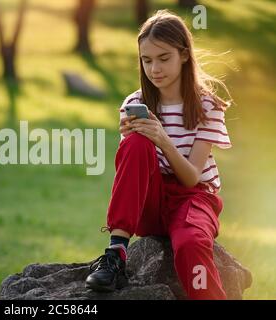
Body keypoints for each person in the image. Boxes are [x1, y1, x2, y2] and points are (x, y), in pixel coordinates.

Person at [85, 9, 233, 300]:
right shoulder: (136, 102)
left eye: (164, 58)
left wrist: (163, 140)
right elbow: (131, 171)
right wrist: (132, 138)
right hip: (149, 203)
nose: (155, 69)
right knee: (136, 144)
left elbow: (192, 178)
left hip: (193, 198)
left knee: (191, 244)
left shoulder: (207, 106)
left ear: (184, 55)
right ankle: (116, 253)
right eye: (147, 60)